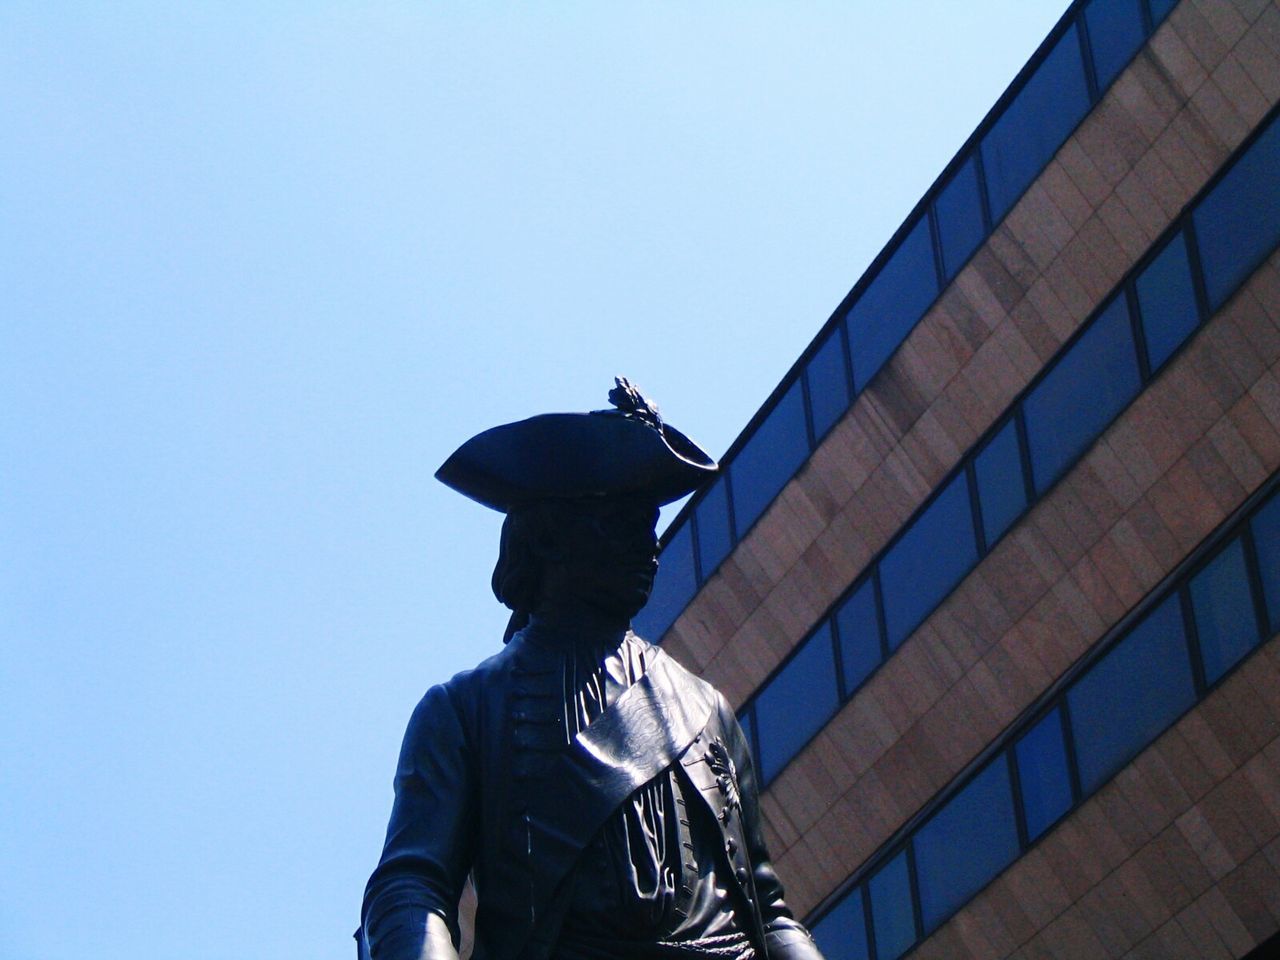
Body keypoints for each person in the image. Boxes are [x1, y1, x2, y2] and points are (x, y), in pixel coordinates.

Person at [360, 379, 825, 960]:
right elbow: (412, 886)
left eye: (650, 528)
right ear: (550, 538)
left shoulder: (706, 708)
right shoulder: (465, 708)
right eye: (623, 525)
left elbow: (766, 904)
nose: (648, 548)